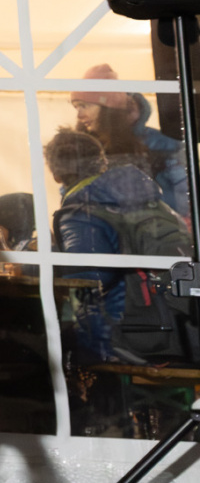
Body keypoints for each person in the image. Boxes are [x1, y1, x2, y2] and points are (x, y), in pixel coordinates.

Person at [45, 127, 189, 363]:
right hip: (176, 321)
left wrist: (44, 257)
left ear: (56, 175)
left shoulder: (82, 210)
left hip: (125, 336)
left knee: (43, 347)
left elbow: (90, 277)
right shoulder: (144, 198)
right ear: (102, 163)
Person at [72, 64, 189, 216]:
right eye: (76, 107)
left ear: (107, 107)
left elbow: (185, 197)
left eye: (84, 106)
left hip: (156, 225)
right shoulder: (83, 148)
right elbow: (71, 196)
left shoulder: (163, 144)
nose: (79, 116)